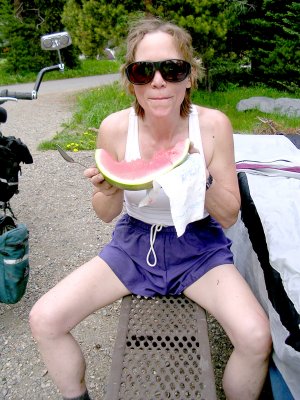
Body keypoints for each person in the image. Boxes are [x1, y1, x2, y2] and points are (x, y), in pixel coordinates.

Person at [29, 16, 272, 400]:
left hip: (199, 247)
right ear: (131, 80)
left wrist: (196, 176)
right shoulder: (114, 128)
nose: (158, 81)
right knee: (45, 320)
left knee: (257, 337)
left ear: (189, 76)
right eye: (143, 70)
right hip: (134, 244)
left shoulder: (213, 126)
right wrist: (109, 190)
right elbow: (106, 213)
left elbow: (228, 216)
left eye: (172, 69)